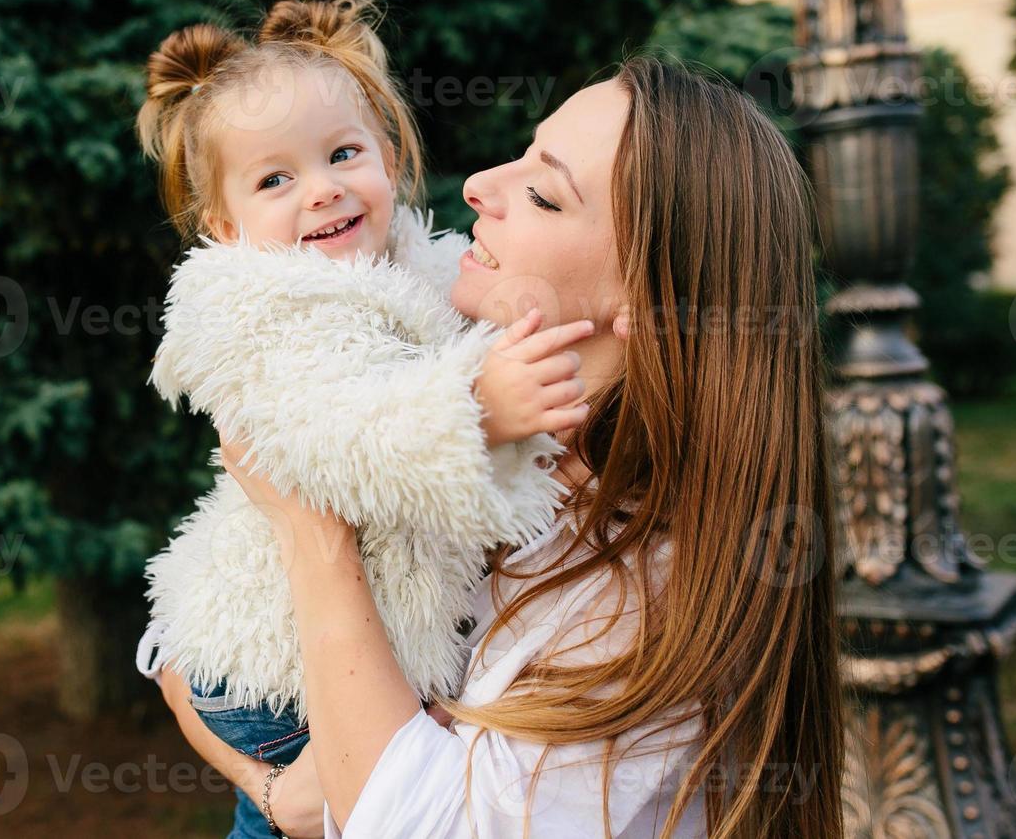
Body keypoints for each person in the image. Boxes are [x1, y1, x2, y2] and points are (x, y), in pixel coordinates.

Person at [158, 55, 844, 837]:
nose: (480, 183)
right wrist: (262, 774)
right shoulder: (487, 406)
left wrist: (313, 535)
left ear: (651, 303)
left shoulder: (645, 599)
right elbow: (183, 655)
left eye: (545, 194)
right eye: (521, 152)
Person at [133, 0, 591, 839]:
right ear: (225, 225)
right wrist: (474, 407)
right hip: (278, 683)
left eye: (343, 154)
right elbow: (333, 435)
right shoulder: (263, 308)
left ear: (386, 154)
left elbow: (487, 309)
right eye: (276, 179)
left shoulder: (411, 258)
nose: (323, 191)